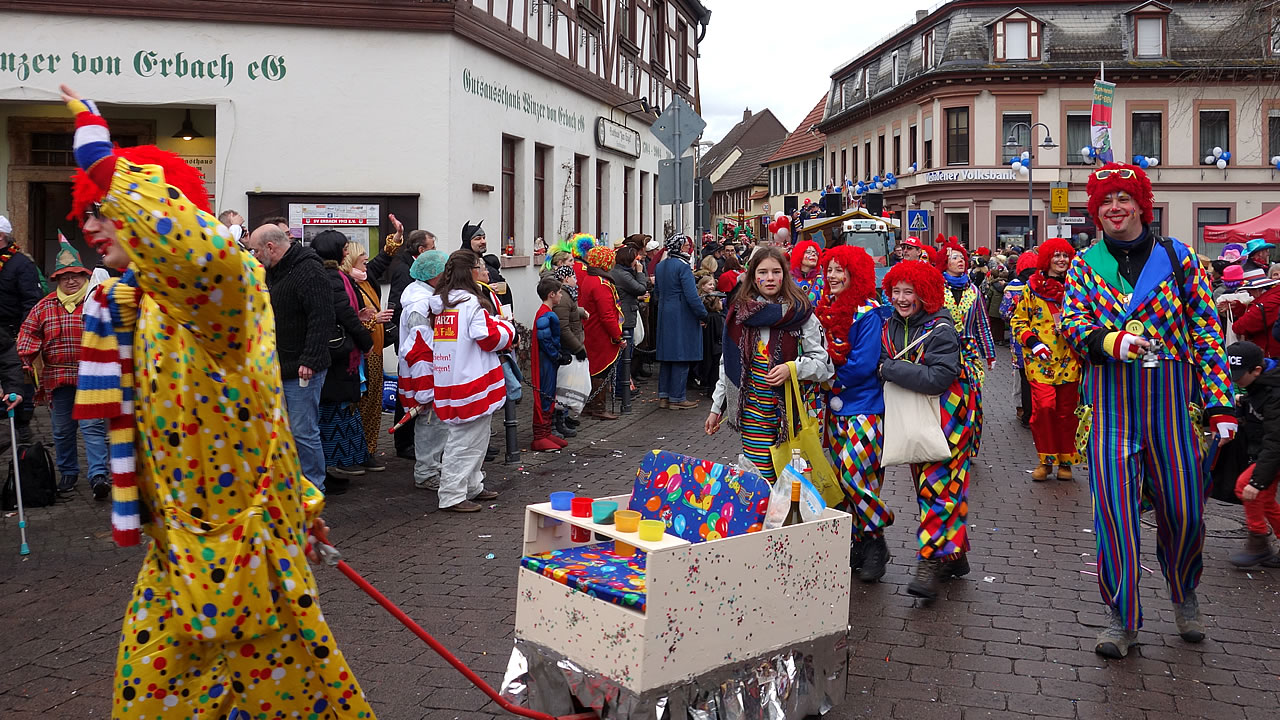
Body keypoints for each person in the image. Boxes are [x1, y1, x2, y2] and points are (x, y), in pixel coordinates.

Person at [61, 85, 374, 717]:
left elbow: (196, 257)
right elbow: (251, 426)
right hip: (188, 558)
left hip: (240, 566)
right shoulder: (141, 311)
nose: (88, 225)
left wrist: (110, 166)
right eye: (85, 210)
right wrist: (301, 504)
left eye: (101, 208)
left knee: (282, 699)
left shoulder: (220, 296)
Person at [1060, 162, 1235, 659]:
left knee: (1184, 513)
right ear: (1096, 212)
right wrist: (1108, 340)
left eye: (1123, 198)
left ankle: (1184, 591)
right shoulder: (1084, 263)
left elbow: (1205, 333)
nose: (1114, 209)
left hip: (1171, 408)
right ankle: (1122, 617)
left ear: (1141, 203)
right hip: (1112, 409)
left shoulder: (1180, 259)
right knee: (1115, 518)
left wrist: (1221, 401)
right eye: (1104, 202)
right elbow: (1071, 325)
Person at [878, 261, 971, 601]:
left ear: (925, 293)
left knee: (937, 487)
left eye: (909, 292)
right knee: (932, 486)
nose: (902, 299)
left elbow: (938, 379)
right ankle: (955, 555)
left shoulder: (940, 329)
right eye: (897, 291)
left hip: (950, 417)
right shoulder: (891, 325)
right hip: (920, 417)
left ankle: (929, 562)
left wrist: (889, 369)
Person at [705, 247, 832, 482]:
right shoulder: (741, 315)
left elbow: (824, 365)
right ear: (753, 276)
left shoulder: (801, 313)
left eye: (776, 272)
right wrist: (716, 408)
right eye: (763, 272)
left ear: (785, 275)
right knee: (759, 482)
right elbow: (728, 364)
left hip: (793, 415)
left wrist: (792, 368)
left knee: (789, 485)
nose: (770, 278)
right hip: (754, 413)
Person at [816, 245, 891, 582]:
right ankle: (861, 543)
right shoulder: (825, 308)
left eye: (839, 270)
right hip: (835, 411)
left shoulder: (869, 313)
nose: (831, 276)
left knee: (854, 475)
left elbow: (862, 365)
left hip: (864, 407)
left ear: (854, 273)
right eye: (828, 269)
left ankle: (876, 536)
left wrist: (825, 378)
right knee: (842, 480)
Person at [15, 240, 110, 497]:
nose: (71, 281)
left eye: (76, 276)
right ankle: (68, 473)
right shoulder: (44, 305)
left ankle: (98, 475)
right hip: (57, 377)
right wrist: (26, 358)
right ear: (57, 280)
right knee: (61, 429)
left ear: (85, 276)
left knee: (92, 426)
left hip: (91, 375)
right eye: (65, 277)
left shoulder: (97, 302)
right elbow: (27, 334)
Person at [245, 224, 335, 494]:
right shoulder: (273, 271)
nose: (254, 256)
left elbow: (322, 318)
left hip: (301, 369)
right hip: (278, 367)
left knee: (302, 432)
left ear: (271, 248)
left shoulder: (309, 269)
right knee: (283, 432)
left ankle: (312, 487)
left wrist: (310, 359)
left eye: (256, 251)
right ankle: (289, 487)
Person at [424, 250, 511, 512]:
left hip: (450, 377)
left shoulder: (443, 303)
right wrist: (507, 327)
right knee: (464, 442)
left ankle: (473, 485)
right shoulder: (470, 303)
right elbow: (488, 338)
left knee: (474, 438)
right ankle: (452, 494)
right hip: (472, 379)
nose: (482, 270)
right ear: (470, 272)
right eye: (479, 266)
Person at [1008, 238, 1083, 482]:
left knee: (1066, 412)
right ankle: (1045, 459)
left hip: (1070, 358)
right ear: (1047, 259)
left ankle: (1065, 461)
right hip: (1040, 360)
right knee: (1044, 409)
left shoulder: (1077, 287)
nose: (1061, 260)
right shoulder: (1031, 288)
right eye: (1056, 255)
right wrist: (1033, 342)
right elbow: (1018, 321)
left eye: (1065, 255)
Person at [310, 230, 375, 489]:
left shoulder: (327, 275)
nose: (347, 252)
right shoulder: (332, 277)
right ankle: (331, 469)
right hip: (337, 354)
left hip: (335, 353)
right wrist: (364, 340)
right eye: (344, 248)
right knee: (333, 412)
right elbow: (344, 314)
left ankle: (333, 467)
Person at [369, 215, 435, 459]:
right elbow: (397, 305)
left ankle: (410, 438)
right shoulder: (405, 270)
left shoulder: (410, 266)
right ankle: (404, 441)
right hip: (409, 340)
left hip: (412, 338)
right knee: (407, 389)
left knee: (414, 388)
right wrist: (400, 337)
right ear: (421, 249)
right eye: (432, 248)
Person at [936, 238, 996, 455]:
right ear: (945, 262)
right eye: (955, 257)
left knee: (972, 396)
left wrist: (989, 353)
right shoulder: (936, 289)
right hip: (942, 350)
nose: (961, 260)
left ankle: (968, 445)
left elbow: (982, 323)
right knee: (945, 397)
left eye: (962, 257)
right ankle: (943, 442)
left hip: (969, 352)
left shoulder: (974, 291)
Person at [1225, 341, 1280, 568]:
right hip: (1271, 449)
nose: (1235, 380)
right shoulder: (1261, 384)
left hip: (1274, 450)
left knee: (1246, 487)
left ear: (1256, 370)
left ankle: (1258, 542)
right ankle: (1260, 544)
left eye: (1238, 376)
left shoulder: (1274, 392)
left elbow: (1275, 441)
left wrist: (1257, 481)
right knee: (1264, 499)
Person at [398, 249, 449, 490]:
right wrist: (425, 386)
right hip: (424, 375)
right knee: (430, 423)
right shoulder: (420, 304)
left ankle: (432, 467)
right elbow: (419, 348)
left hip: (429, 372)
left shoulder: (423, 297)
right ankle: (427, 472)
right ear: (434, 275)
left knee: (436, 423)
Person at [341, 241, 394, 471]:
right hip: (361, 354)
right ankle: (359, 452)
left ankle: (368, 450)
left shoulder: (365, 277)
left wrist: (395, 240)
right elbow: (351, 319)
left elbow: (381, 261)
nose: (366, 257)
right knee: (361, 405)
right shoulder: (347, 284)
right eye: (361, 254)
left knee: (373, 403)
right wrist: (375, 320)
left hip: (375, 351)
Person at [0, 214, 42, 445]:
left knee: (17, 380)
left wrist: (23, 335)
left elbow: (31, 302)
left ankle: (22, 429)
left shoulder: (21, 264)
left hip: (12, 333)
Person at [656, 234, 708, 410]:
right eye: (686, 245)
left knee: (666, 356)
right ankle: (677, 398)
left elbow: (657, 292)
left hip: (664, 312)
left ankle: (664, 396)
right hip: (681, 314)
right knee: (681, 355)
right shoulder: (683, 267)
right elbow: (692, 296)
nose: (688, 248)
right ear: (679, 247)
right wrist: (703, 314)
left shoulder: (660, 266)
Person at [580, 244, 625, 420]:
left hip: (592, 330)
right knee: (601, 369)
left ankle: (590, 405)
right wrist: (618, 336)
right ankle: (598, 407)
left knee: (594, 368)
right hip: (600, 334)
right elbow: (607, 315)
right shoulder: (601, 284)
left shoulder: (590, 278)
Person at [531, 278, 570, 452]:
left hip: (549, 360)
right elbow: (545, 339)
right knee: (545, 395)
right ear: (551, 294)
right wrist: (557, 356)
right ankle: (540, 435)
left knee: (548, 394)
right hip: (546, 361)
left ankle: (545, 432)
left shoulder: (546, 313)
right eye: (559, 292)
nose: (561, 295)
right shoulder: (546, 314)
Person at [550, 263, 586, 437]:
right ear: (565, 279)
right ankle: (557, 421)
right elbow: (563, 327)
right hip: (567, 348)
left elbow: (569, 313)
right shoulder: (562, 296)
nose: (576, 280)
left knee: (567, 384)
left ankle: (562, 418)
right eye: (573, 277)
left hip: (571, 345)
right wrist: (578, 348)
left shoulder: (566, 295)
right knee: (562, 386)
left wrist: (580, 312)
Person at [611, 246, 649, 402]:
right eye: (635, 258)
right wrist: (640, 272)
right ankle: (621, 388)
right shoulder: (622, 275)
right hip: (626, 318)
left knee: (627, 354)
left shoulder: (623, 273)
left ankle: (624, 386)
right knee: (625, 356)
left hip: (628, 315)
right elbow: (640, 288)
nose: (637, 261)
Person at [461, 220, 513, 312]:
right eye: (478, 239)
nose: (483, 241)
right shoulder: (462, 264)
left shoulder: (488, 262)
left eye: (484, 238)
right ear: (467, 241)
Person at [1232, 274, 1280, 358]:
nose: (1249, 295)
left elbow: (1243, 326)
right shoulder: (1273, 298)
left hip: (1273, 353)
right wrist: (1238, 308)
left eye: (1249, 291)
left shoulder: (1267, 303)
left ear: (1258, 289)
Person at [790, 239, 824, 306]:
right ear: (799, 255)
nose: (813, 254)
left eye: (815, 253)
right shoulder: (790, 281)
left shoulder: (822, 280)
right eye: (808, 252)